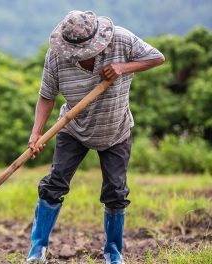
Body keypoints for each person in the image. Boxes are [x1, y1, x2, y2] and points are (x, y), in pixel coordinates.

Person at [26, 10, 165, 264]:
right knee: (54, 184)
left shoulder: (121, 40)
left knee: (116, 192)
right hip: (73, 128)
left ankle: (113, 252)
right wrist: (37, 133)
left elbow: (157, 58)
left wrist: (123, 67)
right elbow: (47, 95)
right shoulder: (57, 56)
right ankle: (37, 250)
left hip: (115, 130)